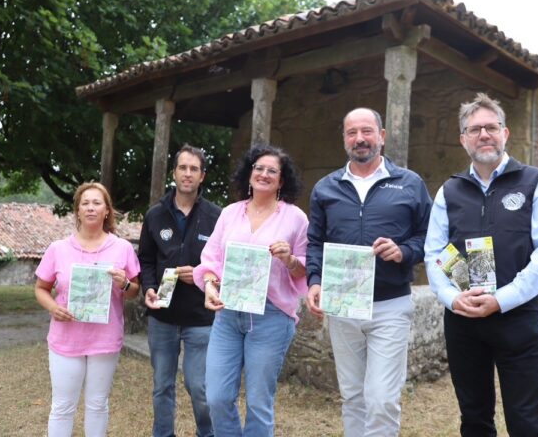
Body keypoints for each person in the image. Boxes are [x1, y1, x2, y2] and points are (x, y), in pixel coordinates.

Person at [423, 93, 538, 437]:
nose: (484, 134)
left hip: (517, 318)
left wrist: (502, 299)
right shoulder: (449, 191)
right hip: (463, 320)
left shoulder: (534, 182)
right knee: (474, 420)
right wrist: (452, 299)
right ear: (463, 139)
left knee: (526, 422)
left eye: (491, 127)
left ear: (506, 133)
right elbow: (434, 253)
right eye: (474, 130)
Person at [305, 108, 432, 437]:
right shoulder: (325, 188)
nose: (359, 139)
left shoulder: (410, 184)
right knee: (353, 396)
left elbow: (430, 238)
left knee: (381, 399)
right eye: (351, 133)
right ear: (344, 139)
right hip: (342, 305)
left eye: (366, 131)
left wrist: (404, 251)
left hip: (390, 306)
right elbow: (315, 242)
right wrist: (315, 281)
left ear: (382, 136)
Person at [193, 144, 309, 437]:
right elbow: (211, 260)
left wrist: (290, 259)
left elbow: (307, 269)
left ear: (282, 181)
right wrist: (208, 284)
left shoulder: (295, 218)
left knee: (258, 403)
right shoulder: (230, 213)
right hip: (228, 315)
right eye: (259, 168)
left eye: (273, 171)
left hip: (271, 318)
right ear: (249, 174)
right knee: (217, 397)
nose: (264, 174)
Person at [35, 182, 141, 437]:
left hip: (104, 339)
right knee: (62, 406)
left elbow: (134, 291)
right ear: (78, 211)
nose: (91, 208)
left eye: (97, 203)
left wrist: (124, 283)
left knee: (97, 404)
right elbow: (40, 288)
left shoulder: (122, 248)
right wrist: (53, 308)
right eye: (85, 203)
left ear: (107, 211)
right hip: (65, 339)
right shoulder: (58, 249)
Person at [139, 144, 221, 437]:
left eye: (194, 169)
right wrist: (148, 287)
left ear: (202, 176)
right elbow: (146, 260)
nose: (187, 174)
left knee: (199, 387)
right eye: (182, 168)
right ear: (174, 173)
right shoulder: (155, 215)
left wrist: (201, 277)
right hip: (162, 315)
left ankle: (207, 433)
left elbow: (224, 265)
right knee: (162, 385)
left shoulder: (217, 217)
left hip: (201, 317)